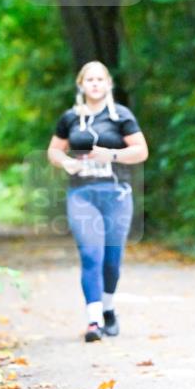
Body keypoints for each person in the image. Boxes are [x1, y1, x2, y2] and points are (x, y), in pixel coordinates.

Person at [47, 61, 149, 342]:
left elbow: (141, 151)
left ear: (108, 84)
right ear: (81, 84)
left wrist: (112, 156)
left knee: (112, 261)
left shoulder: (121, 116)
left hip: (116, 195)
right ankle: (93, 322)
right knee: (91, 254)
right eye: (89, 79)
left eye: (99, 79)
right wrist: (67, 162)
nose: (94, 84)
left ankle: (107, 309)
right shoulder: (70, 117)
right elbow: (54, 151)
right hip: (82, 195)